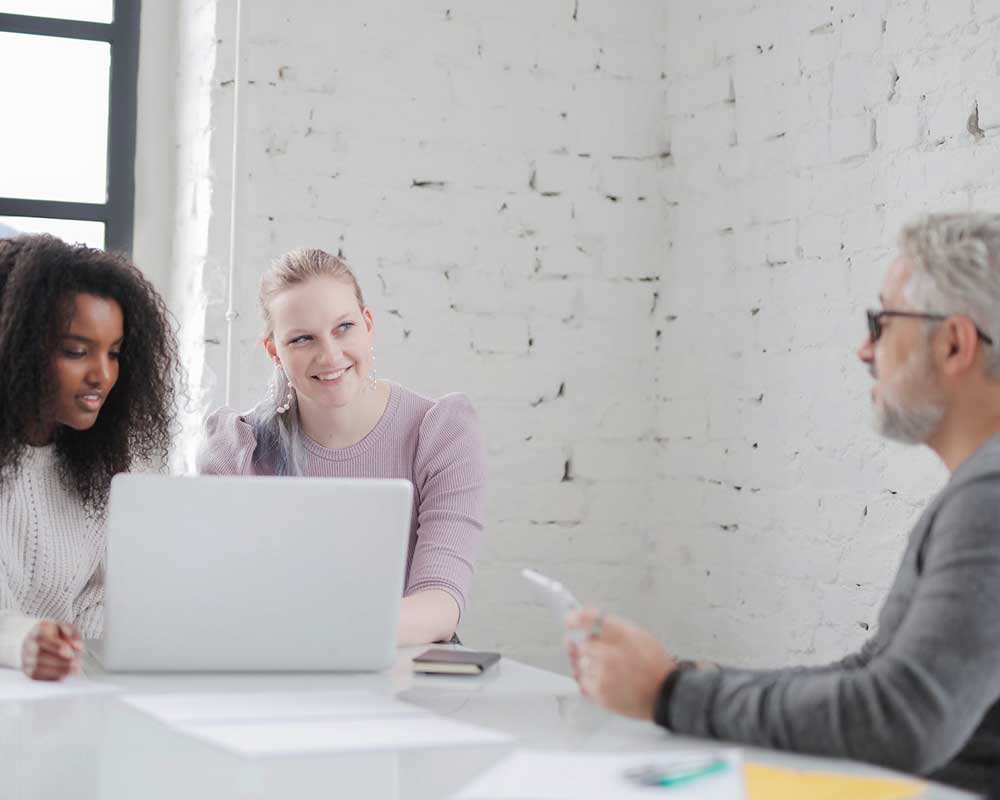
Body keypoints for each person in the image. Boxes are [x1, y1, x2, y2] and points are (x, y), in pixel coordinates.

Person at [565, 212, 1000, 798]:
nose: (863, 350)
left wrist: (669, 694)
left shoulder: (988, 498)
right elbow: (876, 670)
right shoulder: (977, 489)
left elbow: (900, 716)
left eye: (882, 321)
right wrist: (695, 682)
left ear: (954, 344)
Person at [197, 248, 487, 646]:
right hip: (275, 674)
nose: (330, 355)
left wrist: (315, 634)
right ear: (274, 351)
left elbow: (439, 605)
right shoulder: (237, 447)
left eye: (344, 328)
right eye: (301, 339)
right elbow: (217, 598)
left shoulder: (440, 432)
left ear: (368, 325)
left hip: (402, 677)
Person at [0, 235, 179, 681]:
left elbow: (102, 599)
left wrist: (81, 653)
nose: (102, 374)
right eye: (77, 351)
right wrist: (20, 640)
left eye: (114, 353)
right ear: (18, 348)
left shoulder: (106, 466)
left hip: (72, 703)